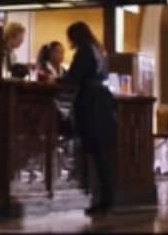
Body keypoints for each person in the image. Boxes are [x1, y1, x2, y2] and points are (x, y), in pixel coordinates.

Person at [59, 22, 117, 215]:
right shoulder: (98, 49)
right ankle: (105, 196)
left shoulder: (84, 51)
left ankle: (101, 198)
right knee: (103, 154)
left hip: (91, 104)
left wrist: (60, 79)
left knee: (95, 152)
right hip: (103, 101)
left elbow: (75, 76)